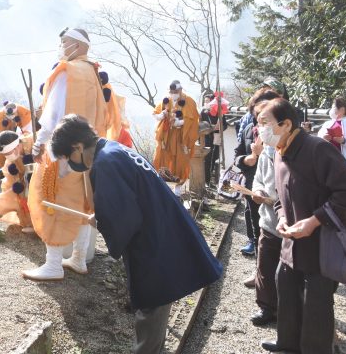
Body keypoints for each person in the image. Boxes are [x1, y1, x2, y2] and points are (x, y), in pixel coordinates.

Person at [50, 114, 223, 354]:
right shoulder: (114, 149)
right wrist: (103, 217)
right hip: (165, 232)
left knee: (150, 314)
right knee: (155, 314)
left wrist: (103, 222)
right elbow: (126, 204)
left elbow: (124, 220)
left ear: (77, 147)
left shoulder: (105, 164)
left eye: (68, 158)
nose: (69, 165)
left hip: (154, 246)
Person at [259, 98, 346, 354]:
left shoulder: (317, 149)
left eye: (265, 123)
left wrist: (315, 220)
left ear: (285, 124)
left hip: (323, 241)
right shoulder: (280, 151)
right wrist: (282, 217)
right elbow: (279, 195)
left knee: (317, 303)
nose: (259, 130)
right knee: (286, 288)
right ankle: (288, 344)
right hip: (291, 240)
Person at [24, 27, 122, 281]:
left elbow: (52, 115)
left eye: (64, 42)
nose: (61, 46)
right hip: (89, 152)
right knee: (83, 201)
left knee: (53, 200)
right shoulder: (94, 73)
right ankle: (78, 257)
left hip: (62, 150)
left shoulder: (66, 71)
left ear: (76, 45)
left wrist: (39, 145)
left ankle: (53, 264)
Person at [235, 89, 280, 261]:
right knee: (253, 220)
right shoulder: (248, 129)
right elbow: (237, 156)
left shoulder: (281, 132)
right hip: (253, 187)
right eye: (257, 110)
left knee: (274, 232)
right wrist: (250, 158)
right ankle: (257, 259)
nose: (260, 115)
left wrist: (263, 154)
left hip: (276, 194)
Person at [248, 101, 282, 326]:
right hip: (268, 220)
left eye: (265, 123)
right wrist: (258, 190)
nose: (260, 129)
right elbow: (259, 179)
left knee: (289, 274)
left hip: (290, 226)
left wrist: (274, 201)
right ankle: (266, 308)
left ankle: (289, 312)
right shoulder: (265, 151)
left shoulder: (297, 151)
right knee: (264, 267)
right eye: (258, 123)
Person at [152, 80, 199, 185]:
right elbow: (156, 113)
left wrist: (181, 122)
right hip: (166, 135)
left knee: (180, 161)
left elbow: (193, 119)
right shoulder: (166, 100)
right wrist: (161, 115)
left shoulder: (189, 101)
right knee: (161, 158)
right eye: (171, 92)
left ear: (181, 90)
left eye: (175, 92)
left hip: (181, 136)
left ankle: (178, 188)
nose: (173, 94)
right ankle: (161, 183)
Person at [0, 130, 34, 232]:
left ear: (16, 146)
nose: (8, 157)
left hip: (40, 179)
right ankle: (30, 222)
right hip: (25, 183)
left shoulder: (33, 142)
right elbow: (9, 185)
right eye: (6, 155)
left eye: (9, 154)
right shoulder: (10, 160)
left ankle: (41, 223)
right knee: (19, 192)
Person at [317, 96, 346, 171]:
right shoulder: (327, 123)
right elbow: (318, 137)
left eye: (333, 107)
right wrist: (323, 137)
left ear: (342, 110)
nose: (331, 110)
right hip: (328, 163)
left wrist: (344, 141)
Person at [0, 101, 33, 172]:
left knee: (25, 145)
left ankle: (21, 169)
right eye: (8, 115)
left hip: (21, 136)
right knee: (3, 146)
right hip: (5, 133)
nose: (10, 117)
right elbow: (1, 136)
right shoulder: (0, 115)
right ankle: (4, 168)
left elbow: (28, 133)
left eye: (12, 114)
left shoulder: (24, 113)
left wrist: (20, 141)